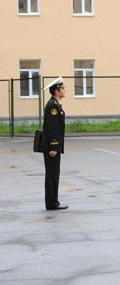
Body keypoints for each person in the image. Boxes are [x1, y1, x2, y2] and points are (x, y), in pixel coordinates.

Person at [42, 77, 68, 210]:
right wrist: (53, 147)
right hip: (52, 147)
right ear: (57, 91)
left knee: (53, 174)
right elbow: (52, 128)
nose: (64, 90)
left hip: (55, 146)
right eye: (63, 88)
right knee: (52, 174)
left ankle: (53, 201)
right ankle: (52, 203)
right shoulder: (53, 106)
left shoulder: (55, 104)